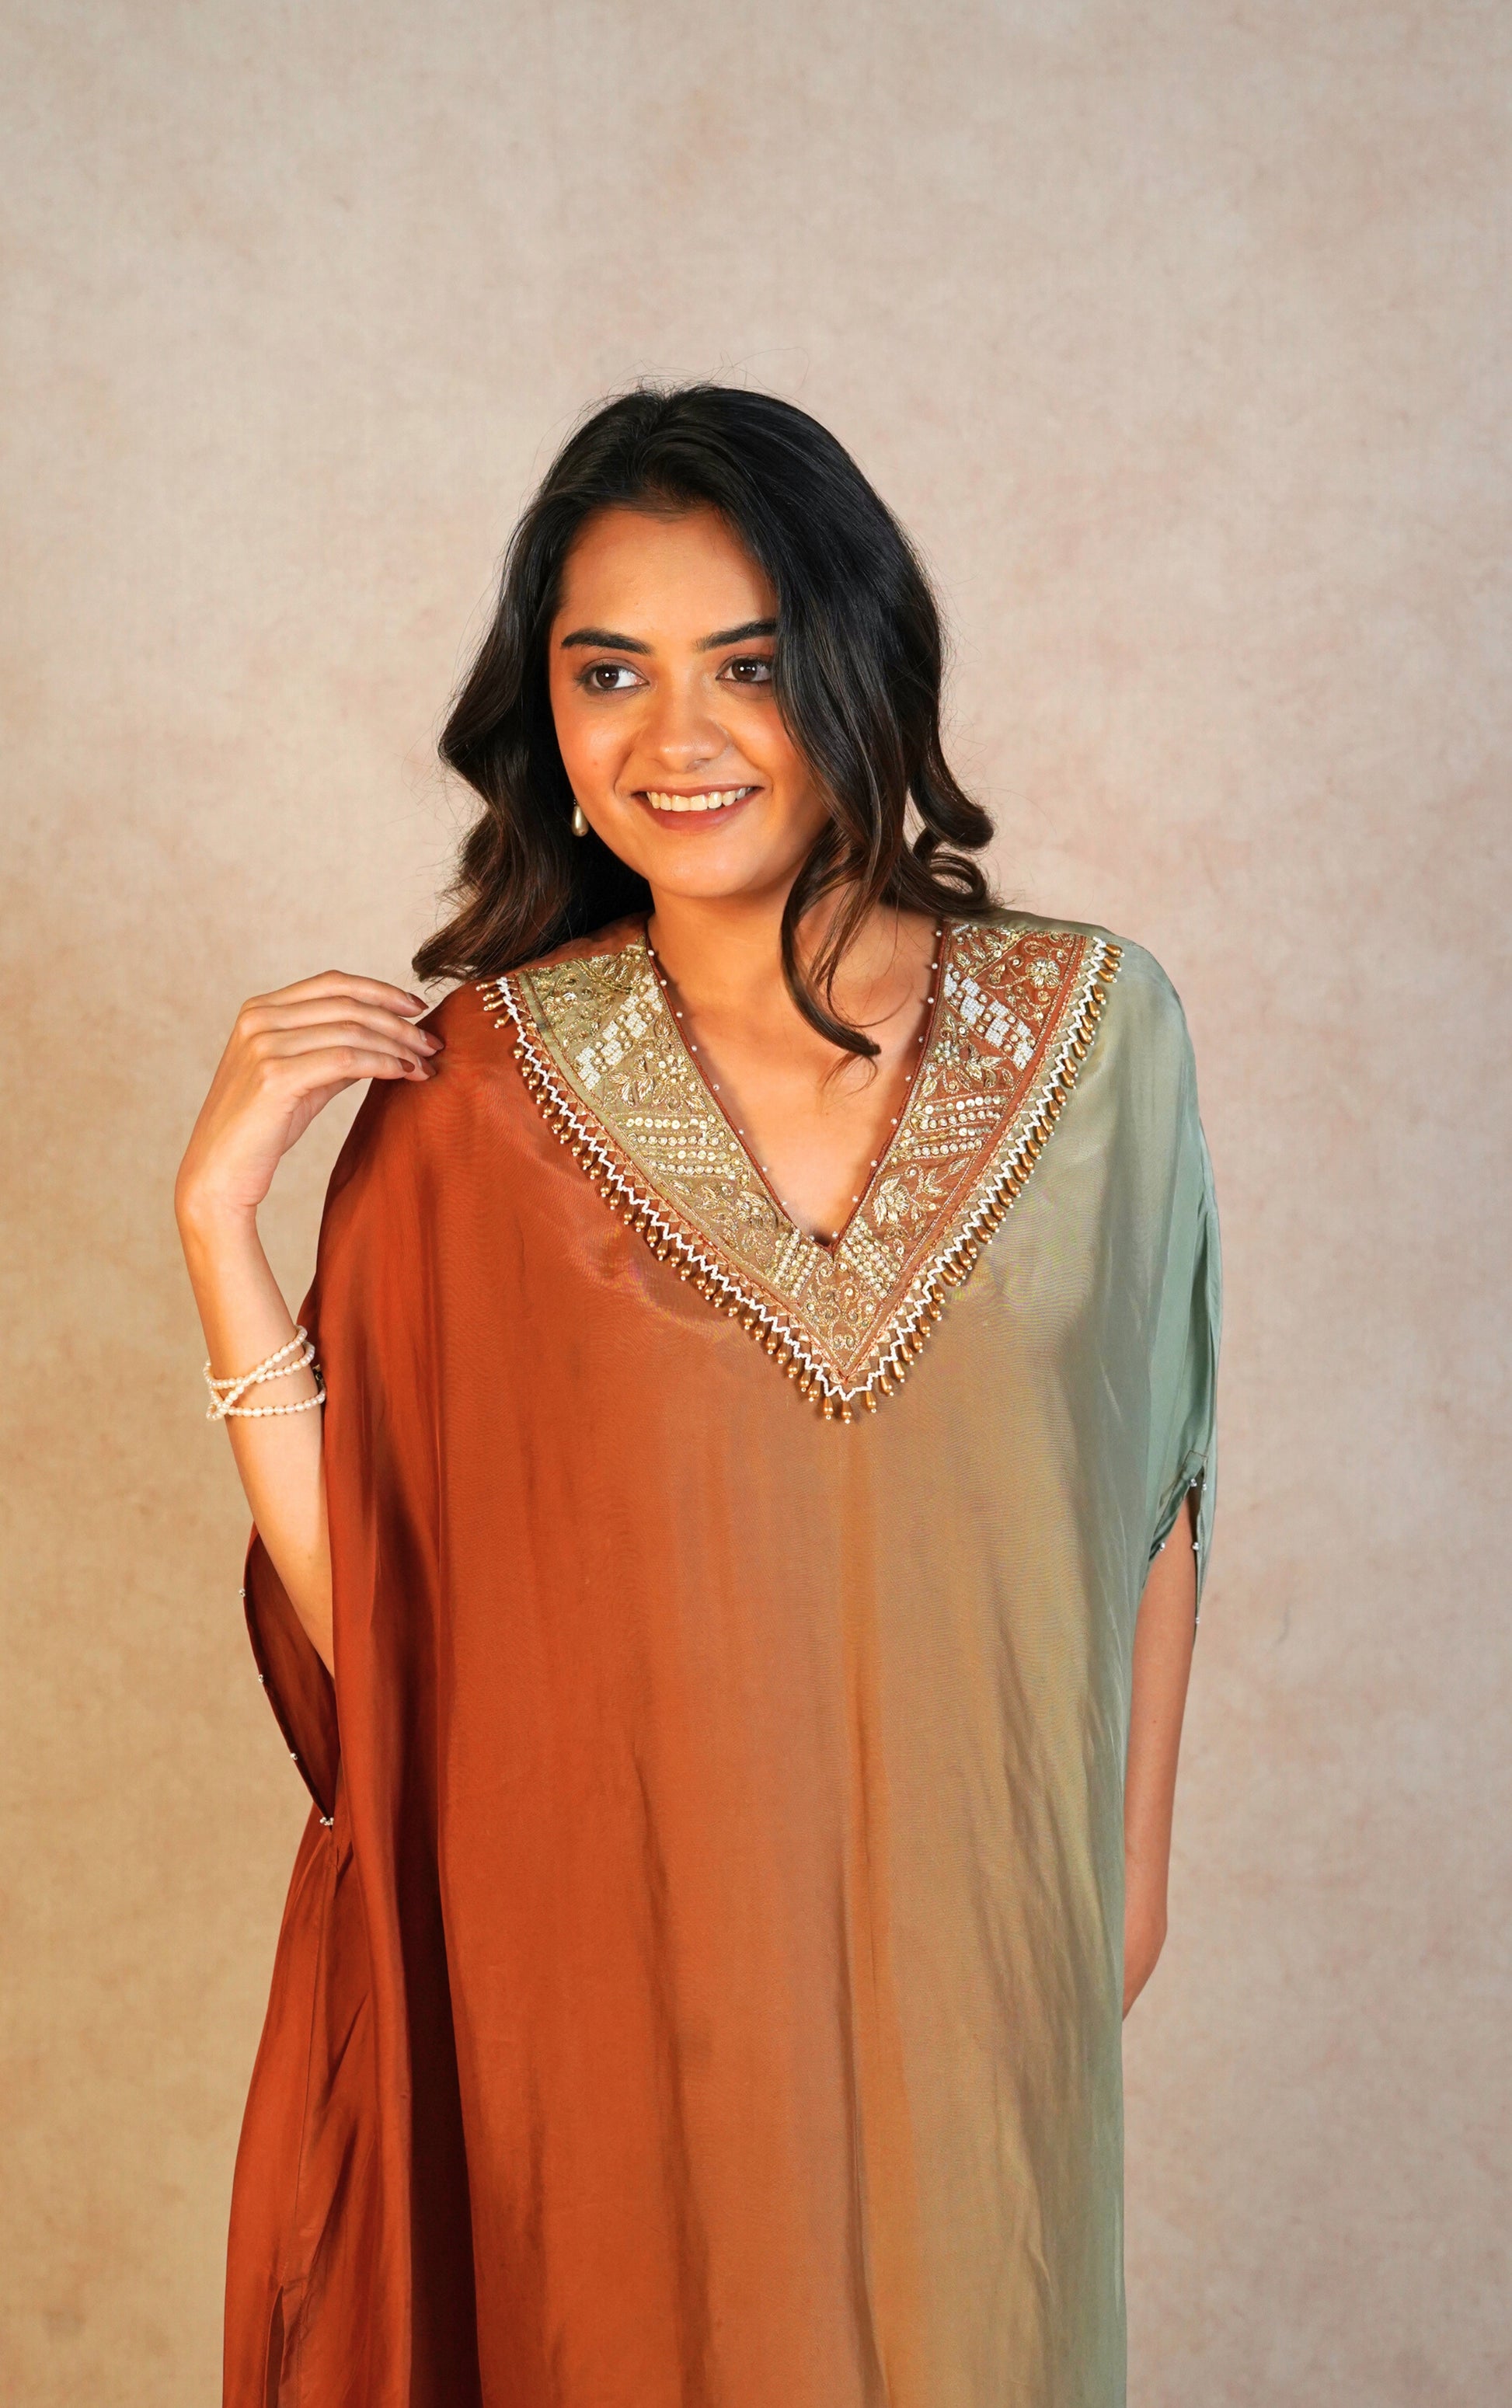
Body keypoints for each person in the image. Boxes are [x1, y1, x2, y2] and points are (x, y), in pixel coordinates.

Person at [176, 384, 1220, 2408]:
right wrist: (222, 1227)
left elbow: (1149, 1488)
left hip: (981, 2025)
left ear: (859, 670)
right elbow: (391, 1632)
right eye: (609, 672)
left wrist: (1112, 1906)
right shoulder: (474, 1101)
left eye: (746, 662)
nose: (678, 735)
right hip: (611, 2032)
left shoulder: (1107, 1041)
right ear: (546, 719)